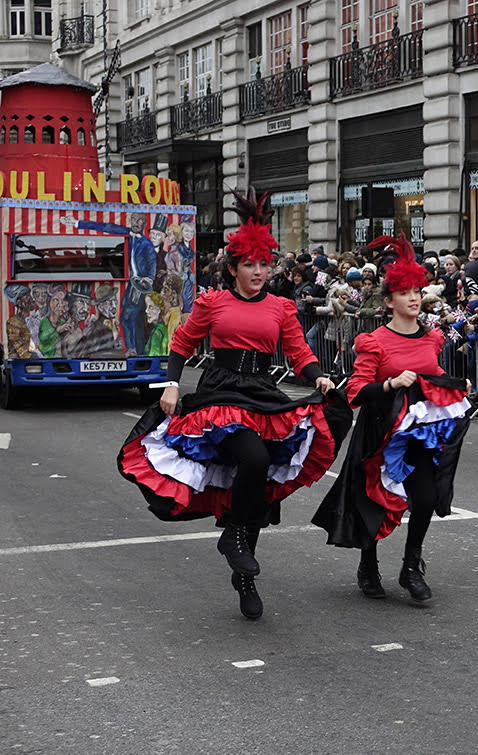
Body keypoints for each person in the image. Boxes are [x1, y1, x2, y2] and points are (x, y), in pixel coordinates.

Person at [117, 188, 352, 620]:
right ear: (232, 268)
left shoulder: (281, 307)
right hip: (222, 391)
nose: (259, 271)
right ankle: (234, 538)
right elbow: (182, 344)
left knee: (260, 479)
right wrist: (171, 385)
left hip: (261, 390)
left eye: (264, 264)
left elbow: (299, 352)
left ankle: (244, 571)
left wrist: (318, 375)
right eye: (249, 264)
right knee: (254, 457)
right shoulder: (214, 303)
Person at [313, 234, 471, 603]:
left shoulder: (431, 339)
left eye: (417, 291)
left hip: (419, 434)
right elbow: (356, 391)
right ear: (389, 301)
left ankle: (411, 565)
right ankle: (368, 564)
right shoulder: (375, 341)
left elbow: (433, 379)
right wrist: (390, 384)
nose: (413, 297)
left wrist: (454, 386)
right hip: (379, 432)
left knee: (426, 497)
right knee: (373, 500)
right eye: (404, 292)